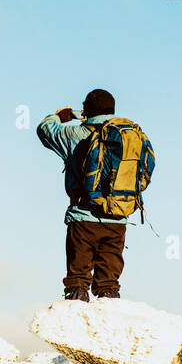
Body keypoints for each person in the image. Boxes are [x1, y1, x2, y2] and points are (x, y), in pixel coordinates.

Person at [35, 89, 154, 300]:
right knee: (109, 286)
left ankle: (73, 313)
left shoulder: (75, 135)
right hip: (118, 219)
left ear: (86, 111)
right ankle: (109, 319)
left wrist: (64, 116)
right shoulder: (129, 136)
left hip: (83, 220)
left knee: (77, 283)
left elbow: (45, 130)